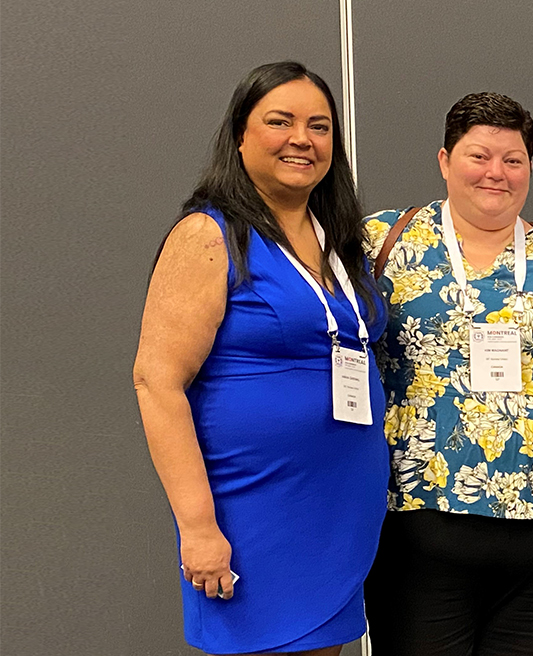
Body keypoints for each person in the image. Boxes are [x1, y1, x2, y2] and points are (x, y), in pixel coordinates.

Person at [360, 92, 533, 655]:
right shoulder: (381, 243)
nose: (497, 173)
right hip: (417, 526)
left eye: (513, 160)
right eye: (479, 156)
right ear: (445, 161)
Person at [132, 61, 386, 655]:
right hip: (252, 512)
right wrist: (196, 526)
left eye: (319, 126)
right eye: (281, 121)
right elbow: (156, 382)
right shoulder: (209, 234)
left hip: (338, 507)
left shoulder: (339, 239)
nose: (302, 138)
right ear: (240, 135)